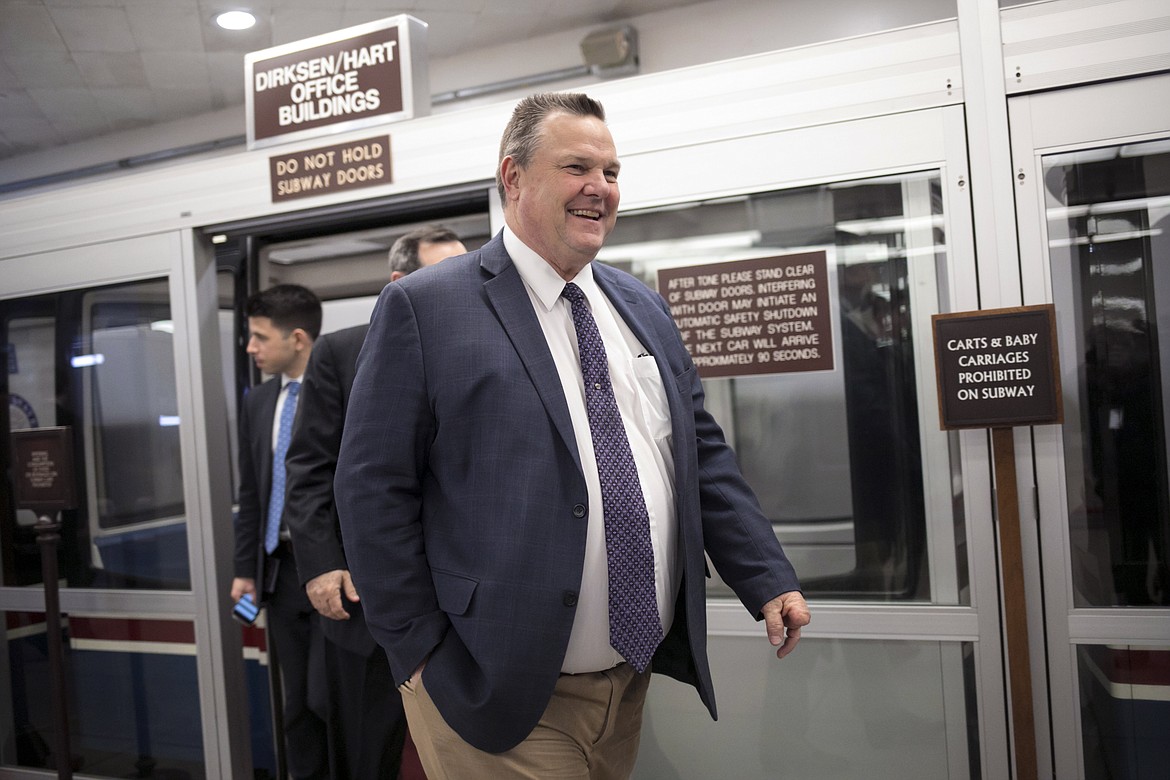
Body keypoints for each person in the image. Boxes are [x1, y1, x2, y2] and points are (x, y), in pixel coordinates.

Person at [335, 92, 811, 778]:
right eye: (577, 167)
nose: (601, 188)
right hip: (491, 689)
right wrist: (419, 652)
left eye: (612, 172)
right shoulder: (426, 308)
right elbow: (372, 490)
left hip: (628, 680)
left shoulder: (637, 303)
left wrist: (766, 576)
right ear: (514, 178)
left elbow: (697, 455)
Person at [284, 225, 467, 779]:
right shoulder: (342, 353)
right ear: (398, 283)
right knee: (369, 751)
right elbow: (310, 468)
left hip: (463, 600)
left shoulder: (486, 349)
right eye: (443, 274)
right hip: (365, 604)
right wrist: (321, 564)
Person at [230, 284, 327, 779]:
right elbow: (252, 492)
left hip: (334, 570)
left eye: (259, 337)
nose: (250, 347)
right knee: (297, 705)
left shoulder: (338, 392)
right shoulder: (259, 401)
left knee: (329, 699)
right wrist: (245, 570)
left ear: (298, 338)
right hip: (280, 570)